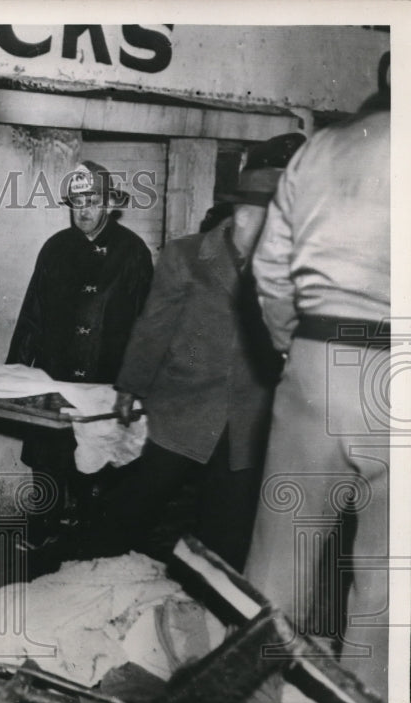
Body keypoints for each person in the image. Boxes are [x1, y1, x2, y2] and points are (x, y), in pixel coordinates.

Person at [98, 133, 306, 571]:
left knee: (226, 535)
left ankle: (207, 616)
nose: (266, 229)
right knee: (131, 510)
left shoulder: (294, 268)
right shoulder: (186, 255)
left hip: (249, 422)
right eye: (257, 215)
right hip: (181, 407)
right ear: (237, 212)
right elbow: (154, 326)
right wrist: (130, 386)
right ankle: (91, 581)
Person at [243, 101, 390, 702]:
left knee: (278, 562)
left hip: (316, 359)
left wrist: (293, 350)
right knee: (386, 581)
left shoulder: (322, 148)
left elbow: (269, 270)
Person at [6, 161, 153, 555]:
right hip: (56, 377)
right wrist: (13, 376)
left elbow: (148, 323)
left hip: (106, 380)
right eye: (77, 202)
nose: (84, 210)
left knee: (100, 464)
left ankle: (94, 543)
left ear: (109, 204)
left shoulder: (133, 253)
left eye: (92, 202)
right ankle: (43, 534)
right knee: (50, 461)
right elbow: (31, 315)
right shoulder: (55, 248)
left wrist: (139, 383)